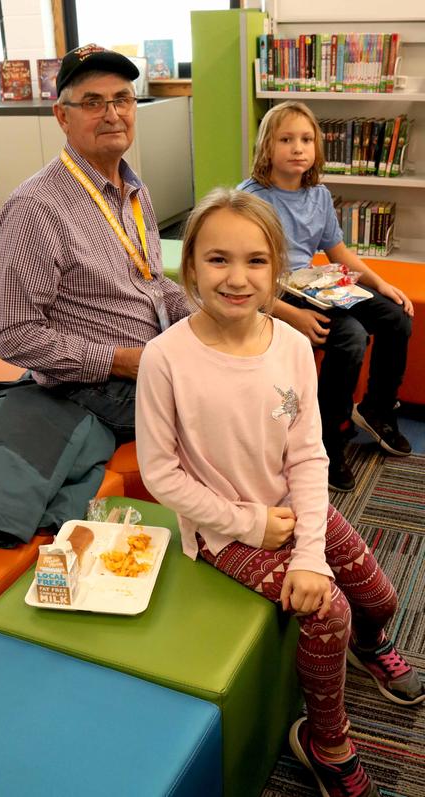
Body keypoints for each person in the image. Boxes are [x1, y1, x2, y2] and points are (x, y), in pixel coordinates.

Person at [135, 188, 424, 797]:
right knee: (329, 614)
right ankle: (326, 741)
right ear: (190, 267)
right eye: (218, 260)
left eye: (256, 261)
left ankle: (369, 648)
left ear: (278, 271)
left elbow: (309, 457)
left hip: (293, 512)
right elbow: (161, 474)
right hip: (219, 534)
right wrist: (247, 523)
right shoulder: (164, 359)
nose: (237, 278)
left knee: (379, 599)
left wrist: (310, 551)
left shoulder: (293, 346)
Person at [0, 43, 190, 446]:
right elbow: (14, 334)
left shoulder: (133, 188)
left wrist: (212, 318)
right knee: (232, 408)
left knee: (249, 371)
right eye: (93, 103)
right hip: (90, 385)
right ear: (62, 116)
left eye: (122, 99)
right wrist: (121, 362)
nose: (113, 114)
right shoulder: (37, 208)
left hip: (150, 358)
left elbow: (152, 282)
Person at [238, 101, 414, 493]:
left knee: (398, 317)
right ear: (267, 146)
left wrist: (379, 282)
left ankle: (377, 409)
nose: (297, 148)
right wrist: (288, 314)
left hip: (316, 284)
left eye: (306, 140)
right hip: (276, 290)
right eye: (286, 139)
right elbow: (243, 273)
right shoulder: (251, 200)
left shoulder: (317, 194)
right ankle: (327, 442)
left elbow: (338, 252)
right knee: (350, 337)